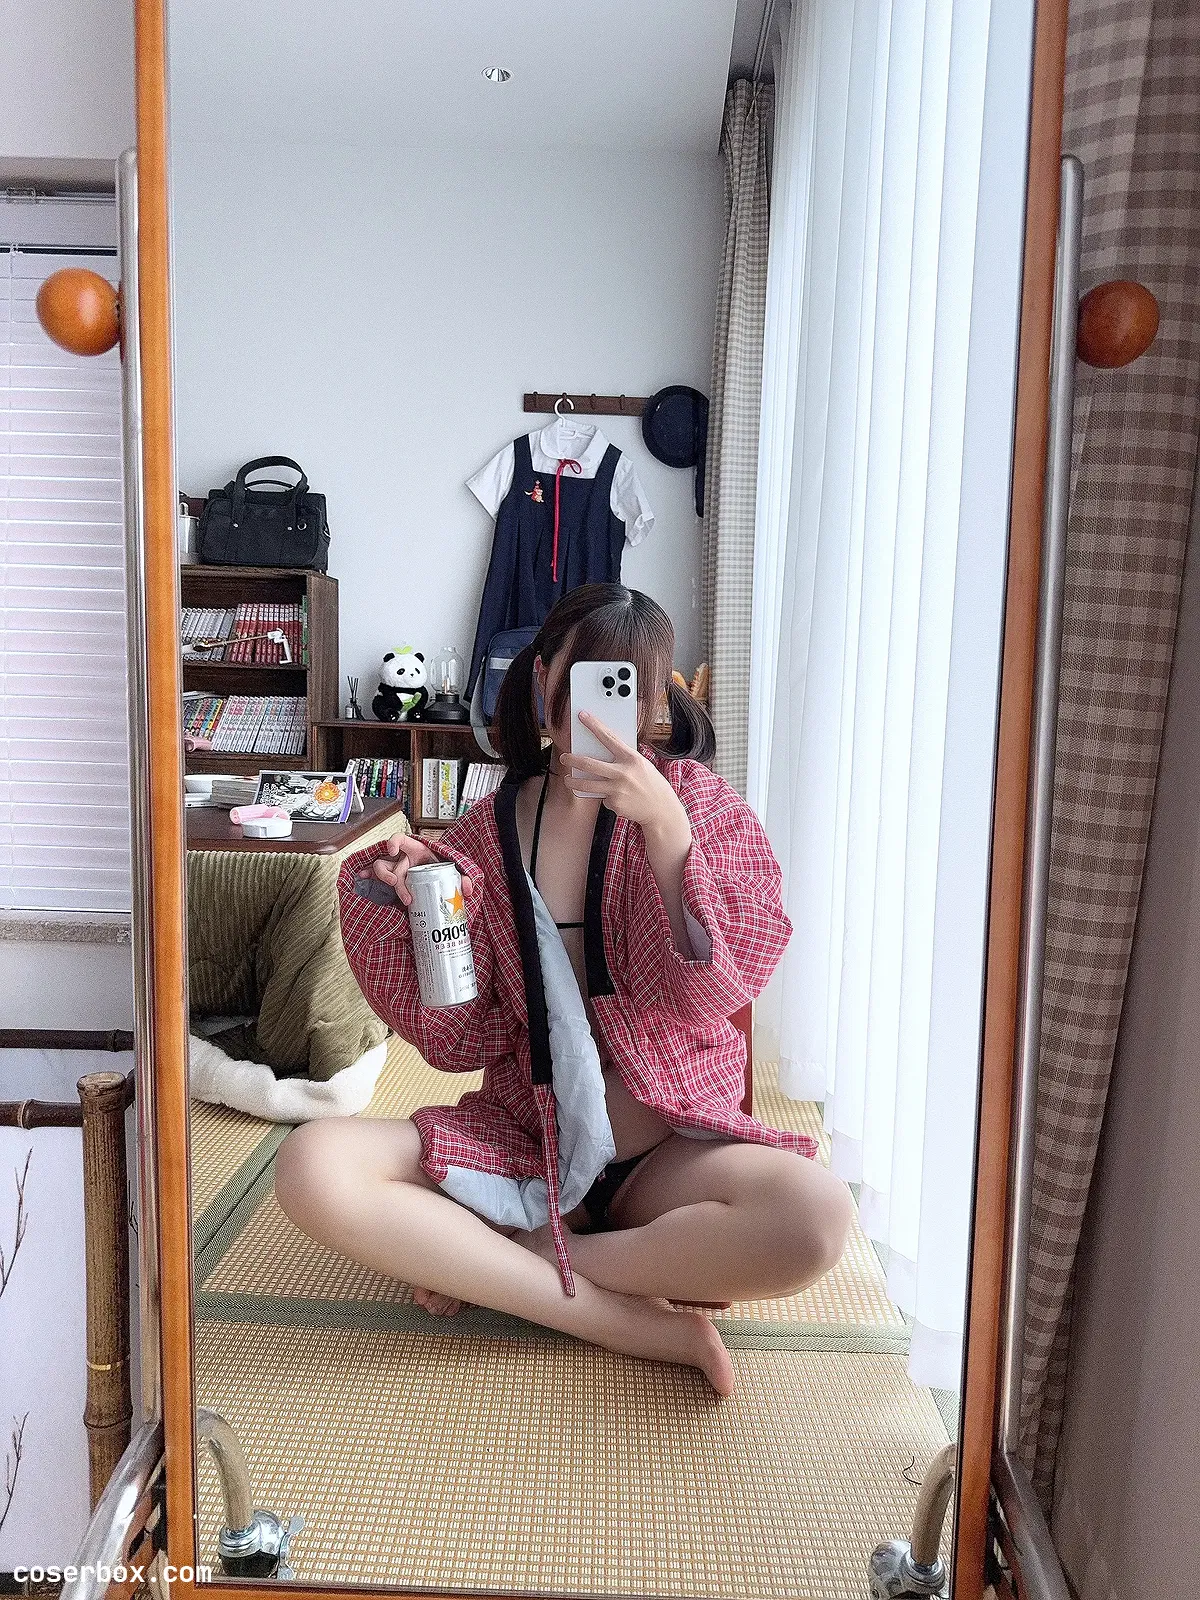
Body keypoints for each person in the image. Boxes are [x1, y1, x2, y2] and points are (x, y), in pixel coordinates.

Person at [274, 584, 852, 1395]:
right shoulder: (481, 835)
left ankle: (518, 1265)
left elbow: (717, 990)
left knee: (815, 1218)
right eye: (581, 680)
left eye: (623, 688)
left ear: (652, 704)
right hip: (528, 1147)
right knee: (311, 1165)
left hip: (669, 1160)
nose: (596, 710)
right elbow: (458, 1042)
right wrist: (429, 911)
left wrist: (668, 833)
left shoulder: (697, 803)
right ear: (544, 676)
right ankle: (630, 1321)